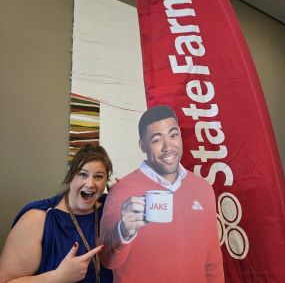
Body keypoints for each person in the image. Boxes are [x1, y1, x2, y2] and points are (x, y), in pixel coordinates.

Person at [99, 105, 225, 283]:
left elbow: (212, 262)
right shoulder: (122, 190)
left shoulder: (204, 189)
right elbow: (106, 258)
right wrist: (123, 230)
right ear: (142, 146)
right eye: (157, 140)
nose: (168, 147)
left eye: (173, 135)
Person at [0, 144, 113, 283]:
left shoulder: (111, 210)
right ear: (71, 176)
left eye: (98, 177)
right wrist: (58, 277)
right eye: (83, 174)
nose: (90, 184)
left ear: (106, 181)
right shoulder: (39, 217)